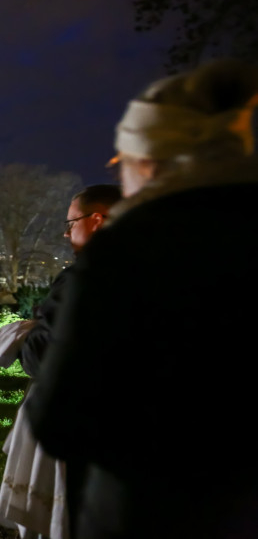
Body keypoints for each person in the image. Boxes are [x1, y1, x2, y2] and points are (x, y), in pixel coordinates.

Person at [26, 58, 258, 538]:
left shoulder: (126, 254)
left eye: (121, 162)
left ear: (149, 162)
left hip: (147, 512)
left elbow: (60, 420)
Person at [0, 184, 122, 539]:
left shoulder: (88, 276)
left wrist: (23, 338)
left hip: (78, 428)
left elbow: (46, 356)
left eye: (71, 222)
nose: (66, 233)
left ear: (96, 220)